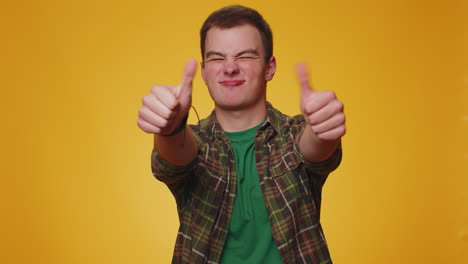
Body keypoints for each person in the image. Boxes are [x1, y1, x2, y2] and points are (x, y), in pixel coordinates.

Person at [137, 5, 345, 264]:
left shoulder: (295, 135)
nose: (230, 68)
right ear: (203, 72)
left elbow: (316, 149)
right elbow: (176, 158)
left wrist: (323, 129)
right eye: (216, 58)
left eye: (245, 56)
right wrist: (171, 129)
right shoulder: (195, 142)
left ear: (269, 68)